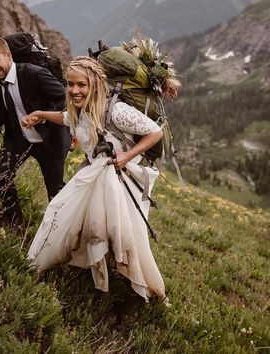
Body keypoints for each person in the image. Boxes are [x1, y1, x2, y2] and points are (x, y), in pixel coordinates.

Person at [22, 56, 169, 304]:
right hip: (93, 176)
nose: (74, 90)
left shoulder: (118, 111)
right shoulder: (79, 110)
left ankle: (137, 292)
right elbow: (67, 118)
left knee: (122, 234)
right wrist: (41, 114)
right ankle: (80, 269)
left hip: (119, 181)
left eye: (82, 85)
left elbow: (156, 132)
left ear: (95, 85)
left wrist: (127, 155)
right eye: (70, 84)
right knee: (79, 219)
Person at [0, 36, 71, 225]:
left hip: (49, 140)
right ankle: (15, 222)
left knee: (55, 191)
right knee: (1, 177)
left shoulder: (35, 74)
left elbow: (66, 99)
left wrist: (43, 115)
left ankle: (60, 230)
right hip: (18, 139)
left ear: (7, 55)